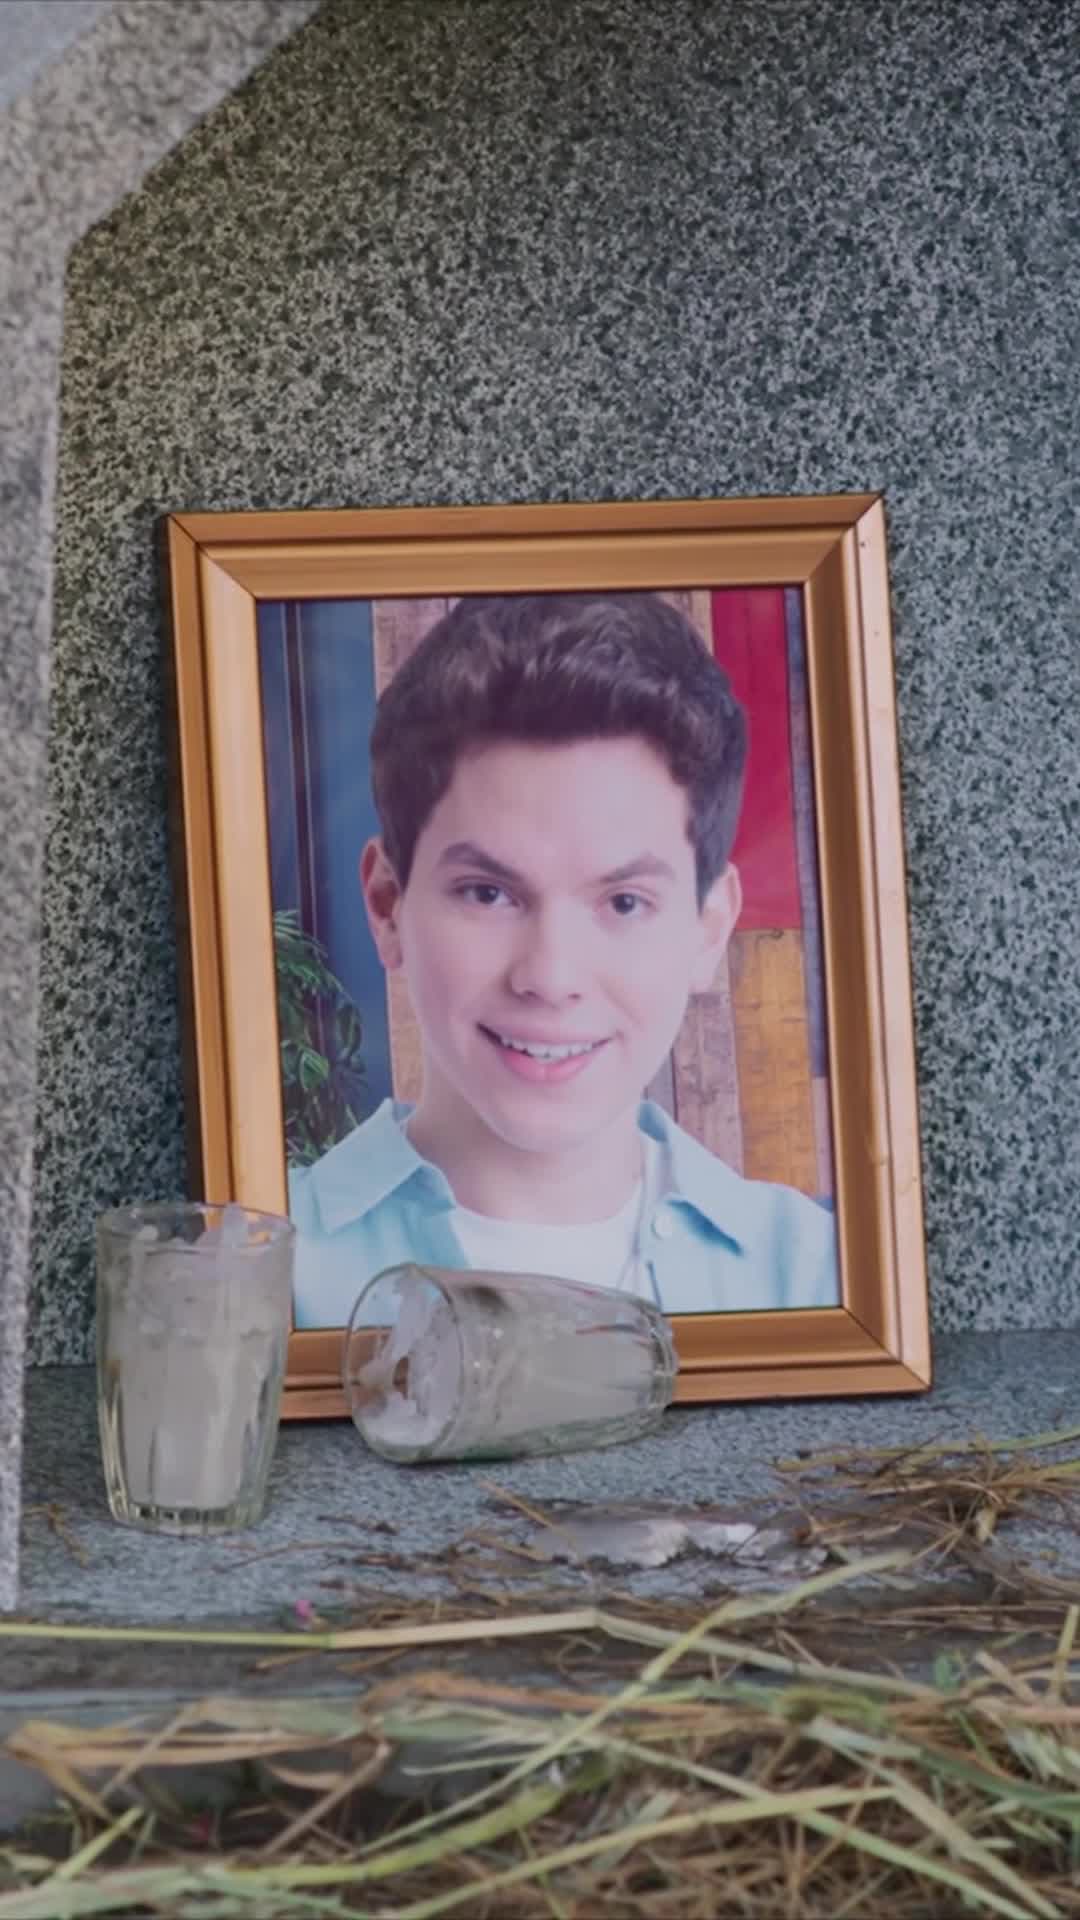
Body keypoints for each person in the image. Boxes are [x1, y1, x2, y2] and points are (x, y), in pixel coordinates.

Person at [289, 592, 838, 1328]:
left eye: (624, 903)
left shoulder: (819, 1277)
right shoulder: (260, 1272)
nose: (550, 978)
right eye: (488, 893)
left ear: (709, 931)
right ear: (388, 906)